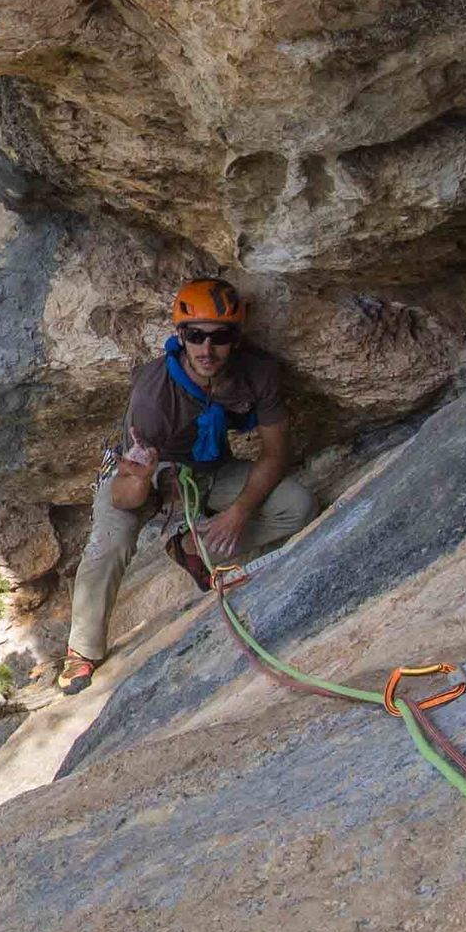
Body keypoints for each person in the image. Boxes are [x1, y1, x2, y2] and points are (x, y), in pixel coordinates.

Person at [58, 277, 313, 692]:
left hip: (207, 469)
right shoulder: (154, 395)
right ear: (179, 336)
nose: (206, 350)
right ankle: (82, 652)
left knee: (297, 505)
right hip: (142, 473)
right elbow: (124, 497)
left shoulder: (257, 373)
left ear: (236, 336)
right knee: (110, 541)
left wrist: (237, 514)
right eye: (195, 336)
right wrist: (141, 479)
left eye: (220, 337)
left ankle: (192, 548)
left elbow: (276, 454)